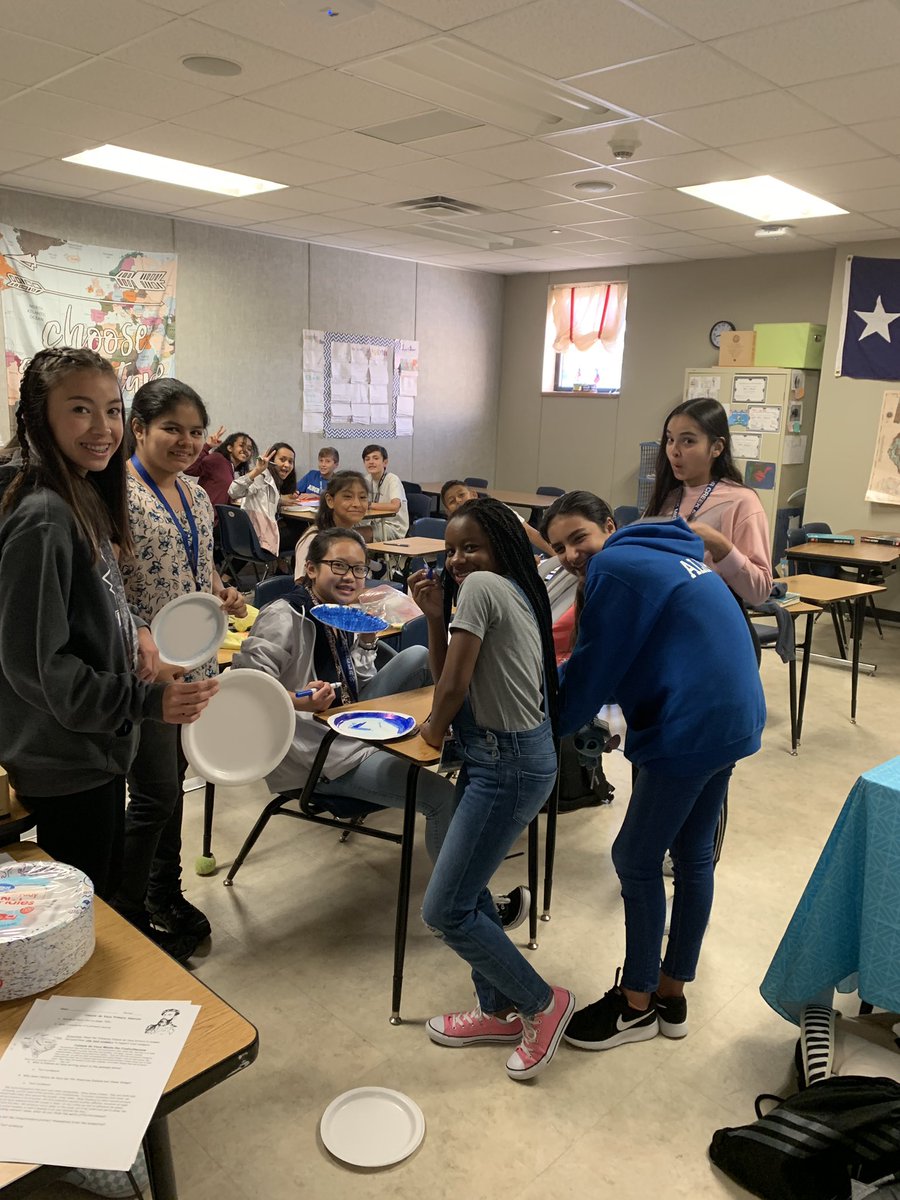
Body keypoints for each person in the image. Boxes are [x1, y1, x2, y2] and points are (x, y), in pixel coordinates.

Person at [542, 490, 765, 1051]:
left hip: (691, 725)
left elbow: (592, 667)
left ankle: (635, 1003)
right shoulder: (664, 552)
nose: (570, 555)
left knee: (634, 859)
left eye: (578, 539)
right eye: (558, 547)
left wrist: (548, 721)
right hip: (733, 716)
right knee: (692, 858)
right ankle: (672, 994)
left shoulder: (614, 566)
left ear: (610, 527)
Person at [0, 349, 217, 901]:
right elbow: (36, 667)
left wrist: (138, 627)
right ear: (36, 416)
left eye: (112, 410)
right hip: (64, 756)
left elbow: (102, 600)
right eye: (80, 410)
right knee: (92, 917)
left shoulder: (82, 495)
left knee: (109, 897)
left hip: (94, 745)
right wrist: (143, 702)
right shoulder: (44, 515)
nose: (103, 429)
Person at [410, 498, 575, 1082]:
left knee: (445, 910)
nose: (457, 560)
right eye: (450, 549)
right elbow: (449, 673)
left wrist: (428, 734)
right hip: (505, 758)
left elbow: (451, 689)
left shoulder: (485, 585)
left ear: (501, 547)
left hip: (506, 763)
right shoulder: (503, 590)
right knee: (469, 888)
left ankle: (540, 1003)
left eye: (471, 547)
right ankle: (497, 1007)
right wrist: (433, 615)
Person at [233, 527, 454, 862]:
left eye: (359, 569)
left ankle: (450, 730)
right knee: (443, 799)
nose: (351, 577)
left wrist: (366, 643)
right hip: (320, 756)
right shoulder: (285, 614)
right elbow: (244, 689)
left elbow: (357, 689)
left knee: (417, 655)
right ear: (310, 569)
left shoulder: (340, 612)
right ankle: (460, 907)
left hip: (348, 727)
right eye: (338, 566)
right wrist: (294, 699)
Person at [119, 378, 246, 960]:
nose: (186, 441)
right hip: (141, 669)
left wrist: (223, 592)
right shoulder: (112, 493)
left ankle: (160, 891)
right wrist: (139, 632)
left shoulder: (197, 496)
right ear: (139, 429)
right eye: (172, 428)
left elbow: (201, 569)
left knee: (170, 789)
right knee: (155, 793)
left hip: (194, 660)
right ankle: (127, 911)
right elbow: (101, 588)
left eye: (196, 431)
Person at [643, 397, 772, 606]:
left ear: (717, 447)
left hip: (711, 620)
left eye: (688, 441)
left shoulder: (741, 501)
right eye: (670, 440)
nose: (674, 451)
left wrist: (718, 543)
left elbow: (760, 592)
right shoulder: (667, 497)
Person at [441, 479, 554, 558]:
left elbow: (529, 532)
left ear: (474, 495)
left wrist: (556, 554)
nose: (458, 501)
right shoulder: (453, 530)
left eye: (461, 495)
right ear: (447, 511)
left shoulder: (498, 510)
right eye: (452, 501)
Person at [293, 469, 371, 582]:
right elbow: (301, 585)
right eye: (348, 497)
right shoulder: (313, 539)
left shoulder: (356, 538)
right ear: (330, 500)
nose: (356, 504)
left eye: (363, 497)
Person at [228, 441, 297, 556]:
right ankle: (286, 571)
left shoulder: (274, 481)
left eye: (290, 461)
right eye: (282, 459)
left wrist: (279, 501)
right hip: (259, 539)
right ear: (271, 461)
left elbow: (263, 499)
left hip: (251, 536)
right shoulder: (261, 477)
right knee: (304, 533)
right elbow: (233, 492)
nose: (287, 465)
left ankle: (282, 569)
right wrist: (257, 470)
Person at [184, 428, 256, 515]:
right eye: (241, 445)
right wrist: (207, 446)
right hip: (203, 516)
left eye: (249, 449)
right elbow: (189, 469)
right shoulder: (217, 459)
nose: (245, 450)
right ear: (230, 448)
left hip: (217, 520)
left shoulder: (231, 468)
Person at [361, 444, 408, 542]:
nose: (371, 462)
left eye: (376, 458)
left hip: (392, 527)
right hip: (373, 523)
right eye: (367, 459)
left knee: (356, 536)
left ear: (385, 462)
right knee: (345, 530)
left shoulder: (392, 479)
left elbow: (395, 506)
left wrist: (369, 505)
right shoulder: (366, 480)